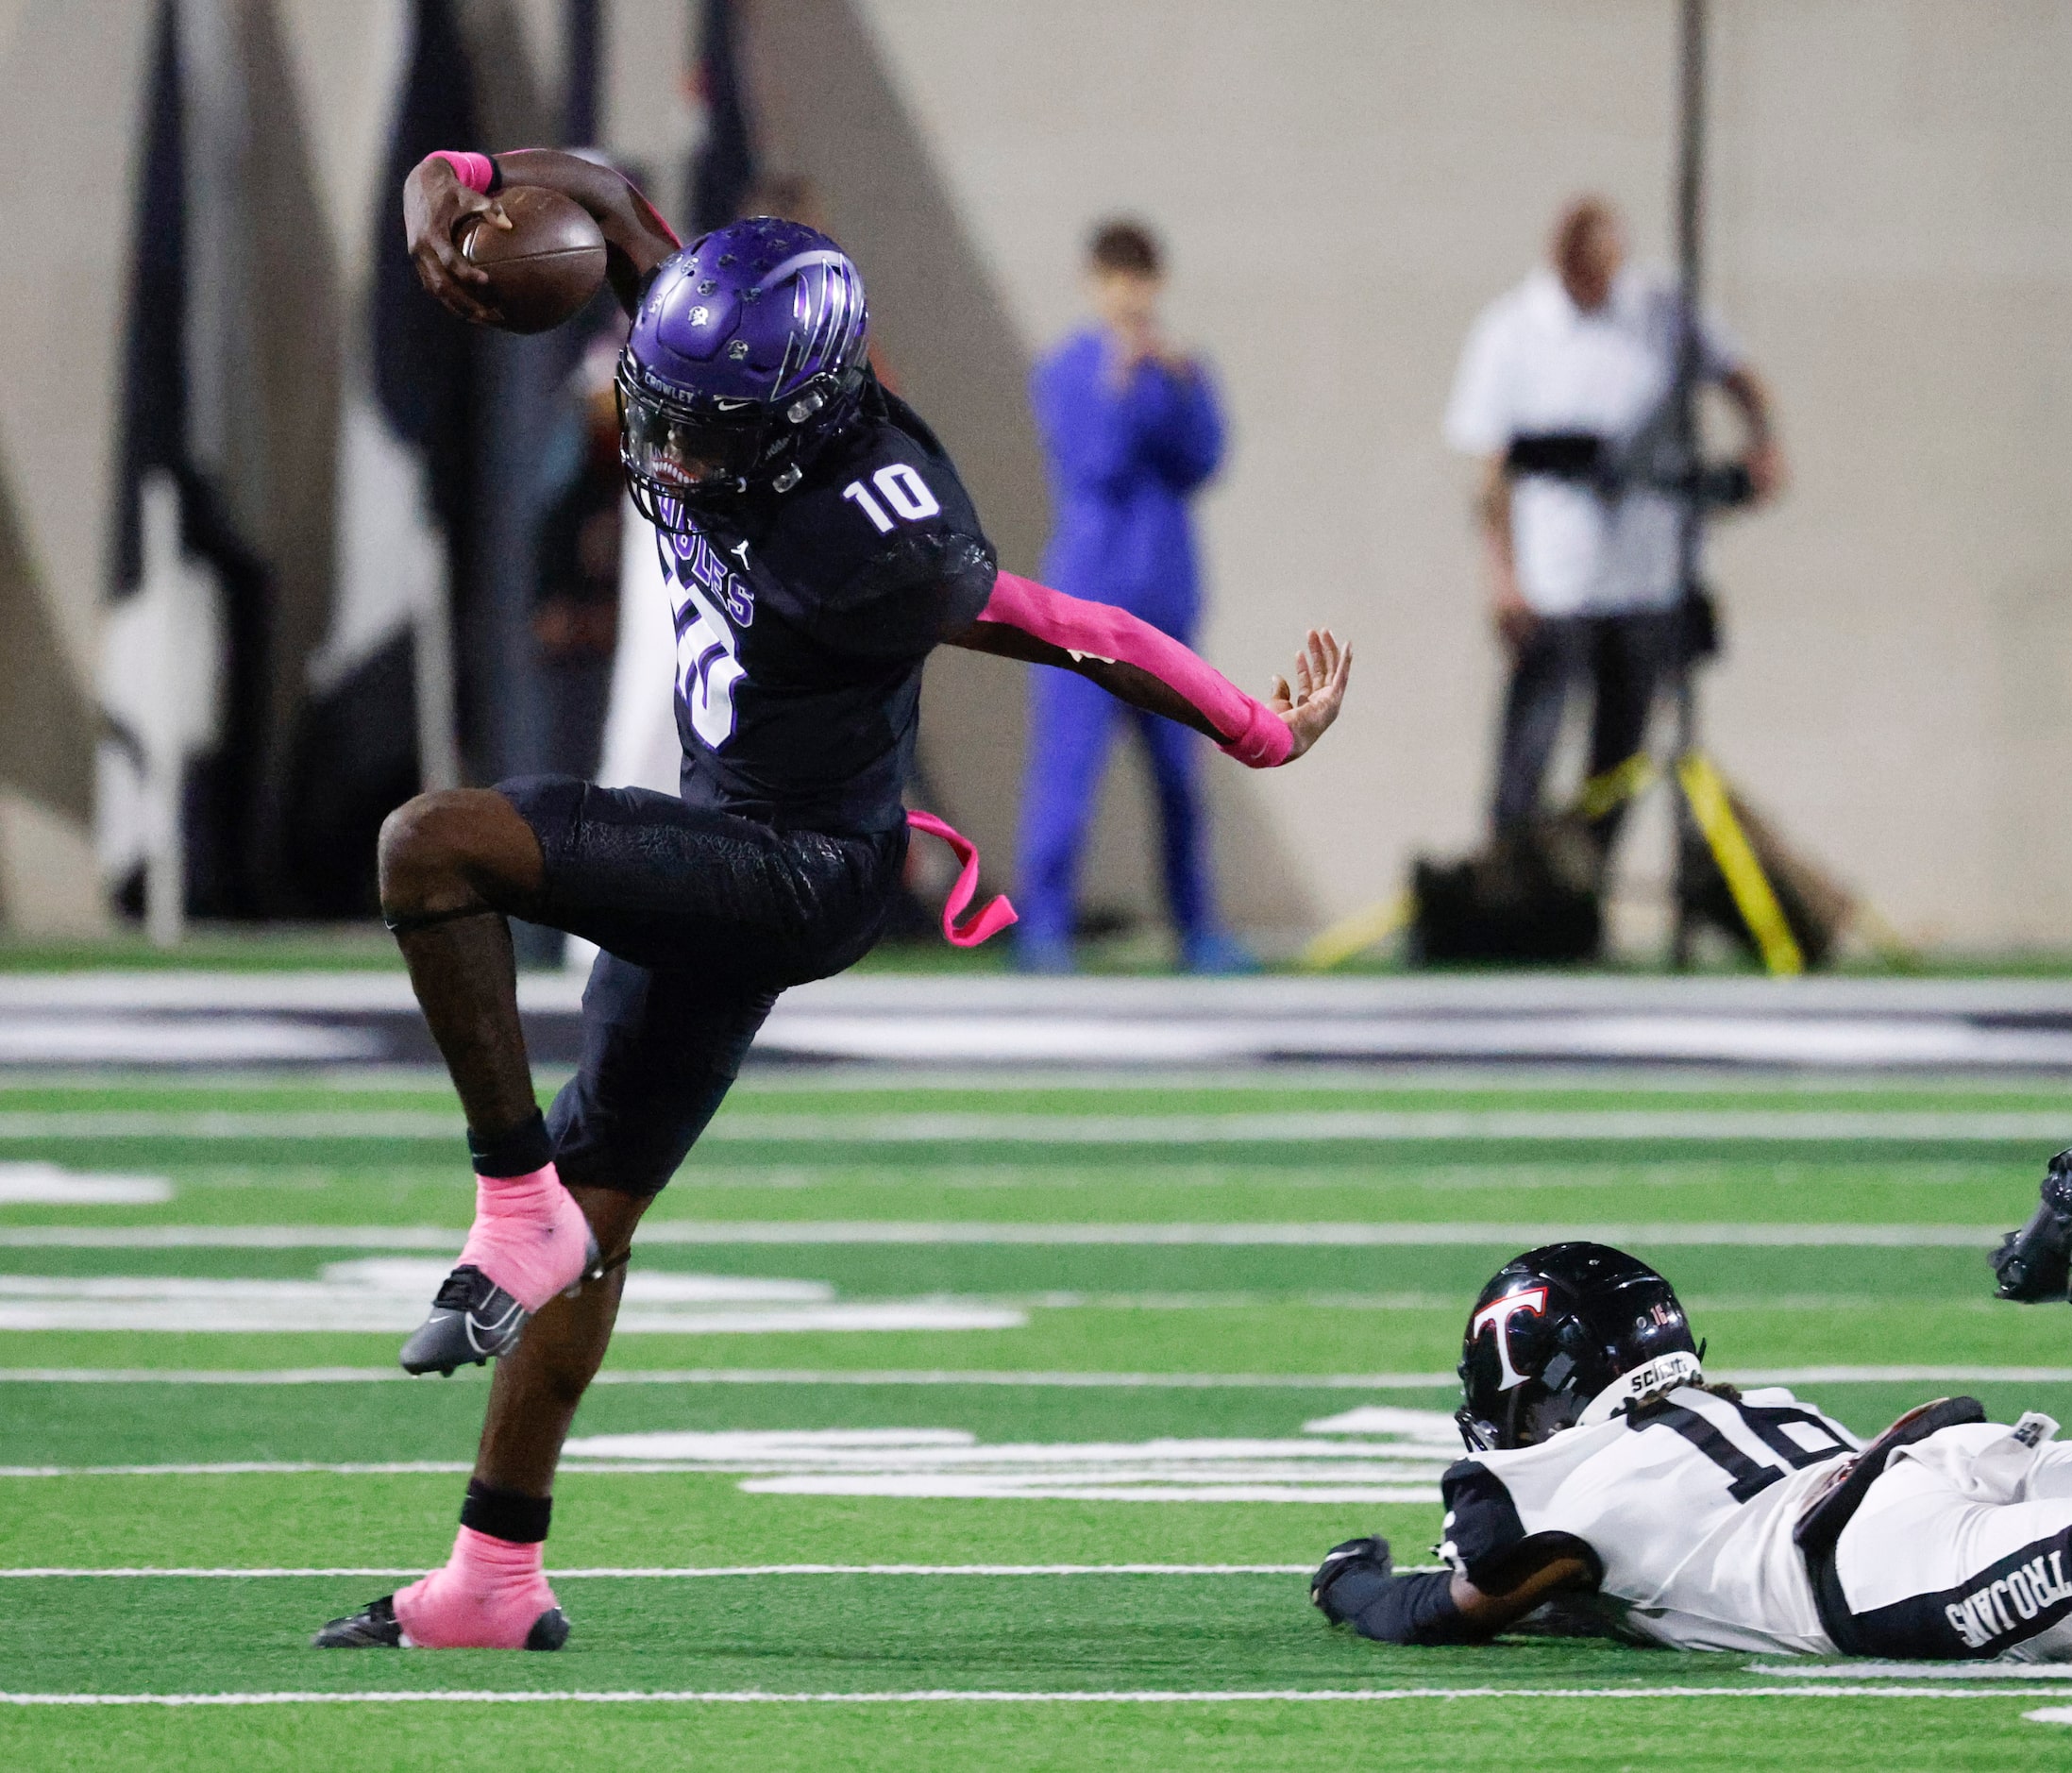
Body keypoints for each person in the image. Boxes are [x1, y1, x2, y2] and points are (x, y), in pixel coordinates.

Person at [312, 149, 1352, 1653]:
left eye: (702, 437)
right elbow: (594, 189)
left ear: (802, 422)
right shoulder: (707, 353)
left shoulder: (888, 539)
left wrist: (1256, 729)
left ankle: (505, 1194)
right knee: (600, 1223)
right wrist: (436, 206)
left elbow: (1083, 630)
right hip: (721, 829)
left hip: (800, 872)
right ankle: (493, 1574)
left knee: (431, 846)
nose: (662, 454)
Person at [1311, 1139, 2072, 1659]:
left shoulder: (1577, 1484)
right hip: (1922, 1461)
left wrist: (1355, 1583)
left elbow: (1458, 1601)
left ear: (1550, 1395)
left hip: (1855, 1556)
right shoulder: (1734, 1401)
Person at [1444, 196, 1784, 850]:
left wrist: (1763, 443)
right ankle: (1510, 889)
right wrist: (1503, 578)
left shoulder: (1659, 312)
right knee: (1532, 747)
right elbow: (1489, 470)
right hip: (1556, 578)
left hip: (1645, 575)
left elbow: (1739, 375)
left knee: (1621, 754)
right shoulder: (1515, 328)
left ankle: (1585, 894)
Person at [1014, 219, 1243, 973]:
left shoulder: (1178, 368)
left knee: (1182, 778)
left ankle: (1197, 927)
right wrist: (1117, 386)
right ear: (1095, 283)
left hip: (1165, 600)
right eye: (1117, 278)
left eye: (1142, 278)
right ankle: (1044, 928)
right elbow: (1091, 463)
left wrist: (1179, 387)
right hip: (1087, 600)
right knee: (1067, 771)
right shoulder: (1069, 369)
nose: (1130, 294)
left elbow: (1204, 459)